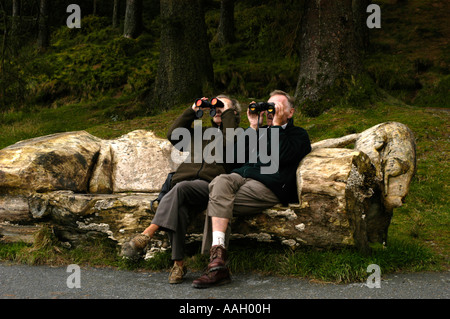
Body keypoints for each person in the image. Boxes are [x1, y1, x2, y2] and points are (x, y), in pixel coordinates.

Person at [192, 90, 311, 288]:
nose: (272, 111)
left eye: (278, 107)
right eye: (269, 106)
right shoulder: (261, 131)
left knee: (217, 199)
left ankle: (215, 262)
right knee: (220, 182)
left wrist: (277, 127)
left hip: (268, 185)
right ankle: (217, 262)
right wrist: (254, 126)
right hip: (241, 177)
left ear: (290, 112)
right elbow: (235, 159)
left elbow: (281, 155)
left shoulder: (298, 134)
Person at [121, 95, 241, 284]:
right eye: (215, 105)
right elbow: (173, 134)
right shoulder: (201, 133)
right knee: (179, 209)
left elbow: (229, 144)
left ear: (233, 113)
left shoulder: (238, 136)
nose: (217, 108)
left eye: (222, 106)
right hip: (184, 186)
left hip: (210, 186)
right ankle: (178, 264)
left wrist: (226, 113)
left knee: (180, 189)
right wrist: (192, 110)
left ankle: (148, 233)